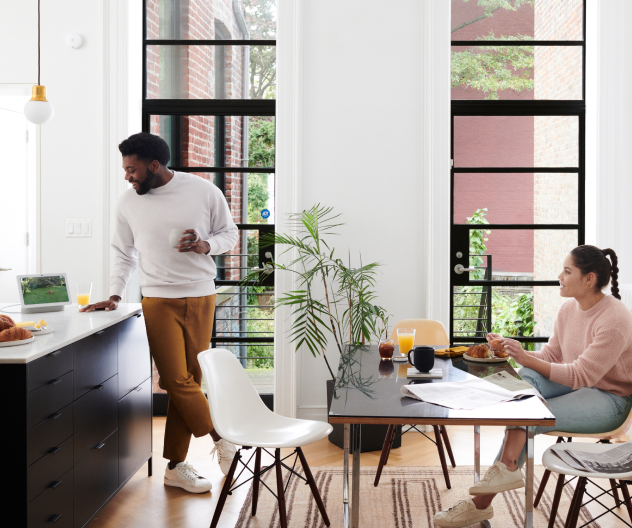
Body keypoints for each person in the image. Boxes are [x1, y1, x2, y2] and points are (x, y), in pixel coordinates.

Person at [82, 132, 239, 494]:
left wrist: (205, 245)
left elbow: (230, 234)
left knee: (188, 382)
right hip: (157, 299)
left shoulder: (203, 192)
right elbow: (123, 254)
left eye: (132, 169)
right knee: (176, 380)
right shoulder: (127, 204)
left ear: (154, 166)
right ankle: (224, 440)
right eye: (125, 169)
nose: (127, 176)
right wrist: (114, 294)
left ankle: (174, 466)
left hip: (202, 296)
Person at [434, 245, 632, 528]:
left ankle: (482, 501)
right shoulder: (568, 310)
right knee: (527, 382)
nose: (559, 276)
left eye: (567, 271)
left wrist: (525, 358)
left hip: (610, 399)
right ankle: (508, 467)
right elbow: (551, 357)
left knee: (531, 415)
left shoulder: (614, 319)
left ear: (588, 279)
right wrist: (513, 352)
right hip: (577, 386)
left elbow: (581, 375)